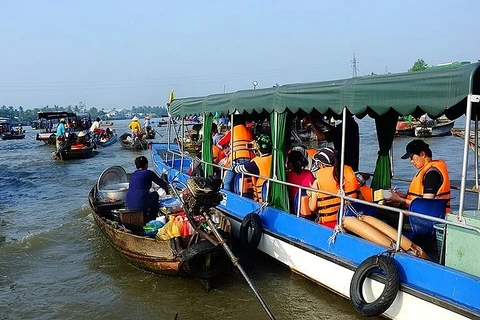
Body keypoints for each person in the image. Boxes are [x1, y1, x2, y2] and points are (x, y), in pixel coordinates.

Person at [387, 139, 450, 210]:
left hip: (424, 217)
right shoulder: (427, 171)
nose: (411, 161)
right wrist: (400, 196)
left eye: (412, 157)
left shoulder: (432, 174)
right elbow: (420, 197)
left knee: (380, 213)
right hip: (416, 211)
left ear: (422, 154)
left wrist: (400, 200)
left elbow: (426, 203)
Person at [308, 147, 360, 228]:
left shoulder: (317, 182)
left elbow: (312, 207)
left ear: (322, 165)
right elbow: (360, 197)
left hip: (330, 223)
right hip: (352, 218)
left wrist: (310, 196)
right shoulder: (350, 174)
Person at [125, 156, 168, 224]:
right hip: (140, 203)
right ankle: (152, 218)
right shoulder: (148, 173)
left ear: (136, 166)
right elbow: (161, 183)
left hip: (129, 203)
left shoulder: (133, 175)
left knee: (145, 195)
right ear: (146, 165)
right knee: (155, 194)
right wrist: (167, 190)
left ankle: (145, 213)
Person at [218, 116, 255, 191]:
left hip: (236, 159)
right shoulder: (249, 132)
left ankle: (227, 195)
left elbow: (221, 142)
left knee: (227, 182)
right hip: (249, 160)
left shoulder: (233, 131)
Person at [234, 134, 273, 203]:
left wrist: (233, 166)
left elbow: (237, 169)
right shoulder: (276, 159)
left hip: (262, 199)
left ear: (257, 147)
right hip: (273, 194)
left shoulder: (255, 163)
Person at [286, 150, 315, 219]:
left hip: (294, 208)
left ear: (290, 164)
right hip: (309, 208)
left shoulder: (287, 176)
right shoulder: (309, 173)